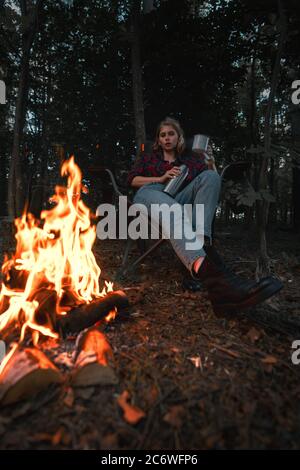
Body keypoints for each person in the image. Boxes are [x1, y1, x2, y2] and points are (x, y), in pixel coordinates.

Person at [127, 117, 282, 314]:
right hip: (150, 193)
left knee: (210, 176)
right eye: (163, 135)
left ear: (178, 137)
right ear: (158, 140)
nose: (167, 138)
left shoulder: (189, 160)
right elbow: (132, 180)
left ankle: (203, 247)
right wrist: (161, 177)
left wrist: (211, 163)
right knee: (172, 210)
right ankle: (214, 278)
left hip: (178, 197)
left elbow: (210, 181)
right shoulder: (150, 158)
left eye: (171, 134)